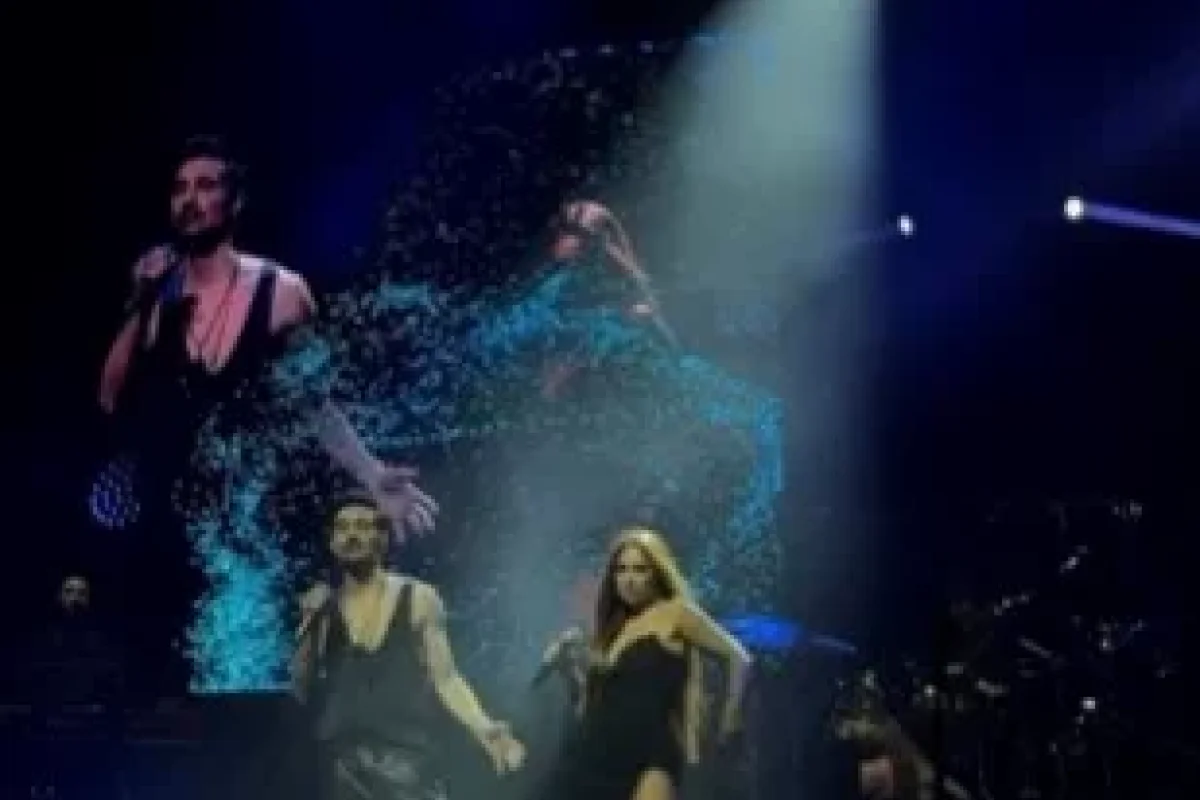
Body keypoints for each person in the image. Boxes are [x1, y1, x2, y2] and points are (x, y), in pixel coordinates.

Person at [94, 135, 437, 691]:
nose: (190, 200)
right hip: (170, 530)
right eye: (180, 189)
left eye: (206, 186)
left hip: (251, 528)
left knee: (246, 680)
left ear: (234, 200)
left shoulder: (281, 292)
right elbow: (110, 395)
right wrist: (140, 299)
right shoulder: (161, 298)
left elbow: (315, 404)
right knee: (159, 693)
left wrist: (372, 474)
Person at [293, 492, 525, 799]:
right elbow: (301, 688)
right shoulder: (324, 609)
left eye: (362, 526)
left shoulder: (418, 598)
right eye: (343, 528)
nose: (351, 536)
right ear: (332, 541)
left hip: (407, 765)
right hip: (344, 768)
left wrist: (483, 727)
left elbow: (446, 677)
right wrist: (308, 628)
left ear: (382, 537)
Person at [542, 526, 752, 800]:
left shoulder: (676, 613)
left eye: (640, 569)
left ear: (657, 572)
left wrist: (730, 719)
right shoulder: (613, 628)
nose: (629, 580)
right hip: (595, 754)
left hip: (650, 755)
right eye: (621, 570)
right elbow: (589, 708)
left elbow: (738, 658)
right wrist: (568, 669)